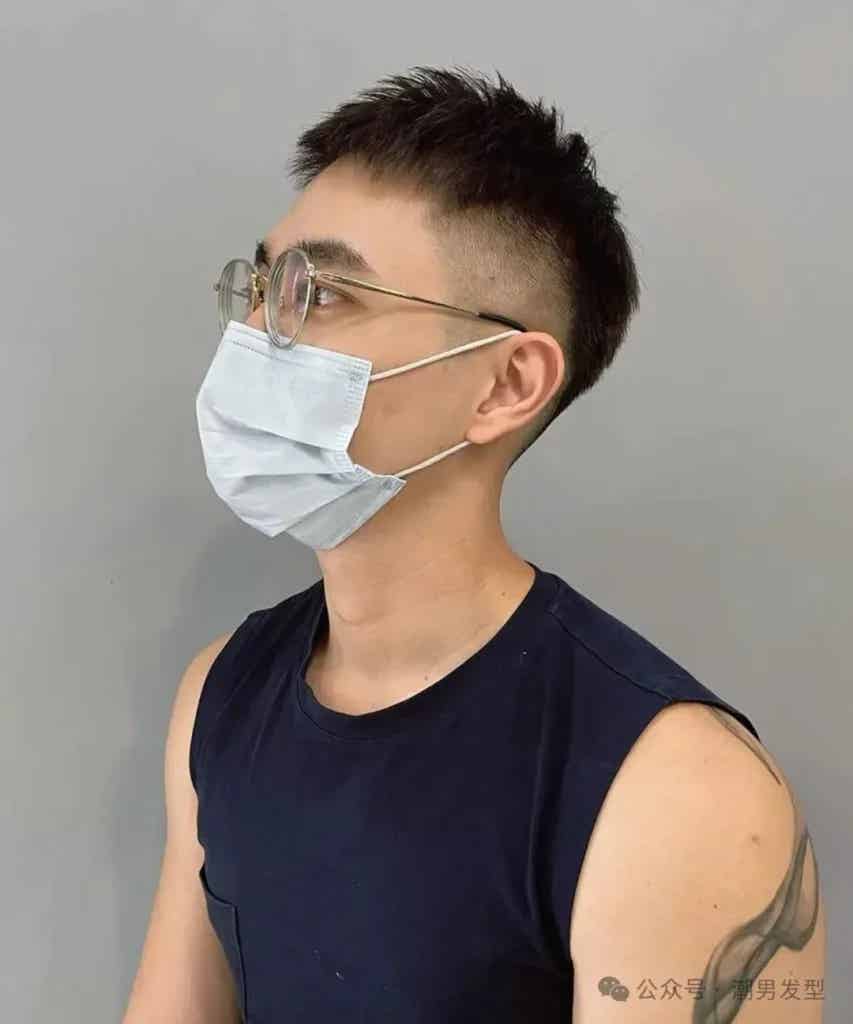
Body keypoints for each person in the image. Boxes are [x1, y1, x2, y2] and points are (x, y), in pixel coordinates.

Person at [123, 66, 825, 1023]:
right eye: (260, 285)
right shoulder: (223, 693)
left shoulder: (677, 789)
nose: (255, 333)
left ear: (504, 385)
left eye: (318, 293)